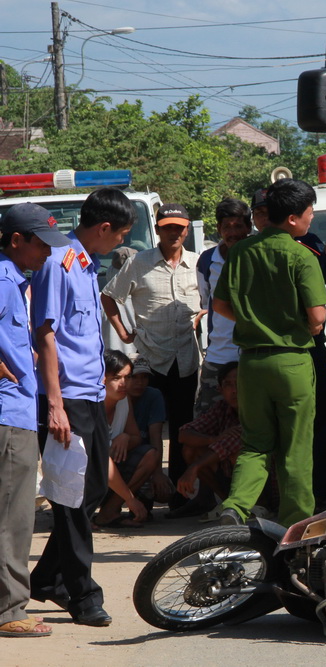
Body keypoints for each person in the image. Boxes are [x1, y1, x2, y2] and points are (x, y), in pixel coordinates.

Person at [30, 188, 135, 627]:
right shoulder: (60, 263)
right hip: (67, 397)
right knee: (72, 499)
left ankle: (47, 578)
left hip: (90, 394)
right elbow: (46, 333)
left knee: (92, 489)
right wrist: (54, 403)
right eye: (121, 235)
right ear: (103, 228)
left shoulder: (86, 265)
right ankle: (82, 593)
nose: (120, 244)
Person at [213, 179, 326, 527]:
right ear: (293, 218)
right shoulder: (300, 255)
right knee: (295, 450)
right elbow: (318, 317)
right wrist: (299, 327)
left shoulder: (240, 251)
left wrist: (252, 320)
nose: (311, 220)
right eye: (309, 214)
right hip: (291, 361)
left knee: (255, 444)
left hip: (251, 363)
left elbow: (220, 304)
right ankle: (296, 526)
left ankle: (235, 506)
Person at [0, 203, 70, 638]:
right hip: (8, 414)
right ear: (16, 241)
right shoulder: (5, 280)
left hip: (16, 409)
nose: (47, 253)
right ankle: (9, 611)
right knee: (14, 516)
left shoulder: (14, 279)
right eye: (41, 244)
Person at [100, 203, 201, 500]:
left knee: (183, 427)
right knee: (146, 430)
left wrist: (201, 315)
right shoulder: (139, 263)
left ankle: (181, 495)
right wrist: (123, 332)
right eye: (168, 227)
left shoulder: (198, 263)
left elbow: (212, 300)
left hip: (186, 359)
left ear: (187, 230)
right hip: (150, 361)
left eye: (179, 227)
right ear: (157, 229)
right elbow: (109, 297)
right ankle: (145, 489)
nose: (174, 232)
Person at [250, 187, 326, 509]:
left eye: (266, 212)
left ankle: (315, 492)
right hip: (272, 349)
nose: (263, 218)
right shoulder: (248, 250)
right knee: (270, 429)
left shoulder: (308, 245)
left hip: (304, 348)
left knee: (310, 423)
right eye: (258, 213)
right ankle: (278, 497)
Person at [194, 198, 251, 416]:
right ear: (218, 229)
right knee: (206, 419)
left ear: (248, 227)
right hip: (218, 356)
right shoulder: (207, 260)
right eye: (227, 226)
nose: (232, 232)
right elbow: (206, 301)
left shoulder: (256, 254)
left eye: (238, 226)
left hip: (251, 355)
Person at [176, 361, 247, 516]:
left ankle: (258, 504)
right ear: (220, 389)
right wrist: (213, 439)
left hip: (264, 484)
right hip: (227, 473)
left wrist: (194, 467)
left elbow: (233, 443)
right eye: (228, 385)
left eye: (239, 383)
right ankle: (227, 502)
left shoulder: (255, 409)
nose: (234, 390)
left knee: (239, 454)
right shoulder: (221, 408)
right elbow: (184, 434)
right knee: (190, 449)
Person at [93, 351, 153, 528]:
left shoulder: (123, 400)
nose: (124, 384)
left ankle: (109, 512)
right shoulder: (90, 404)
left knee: (150, 455)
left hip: (110, 470)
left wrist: (125, 437)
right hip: (88, 472)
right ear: (102, 378)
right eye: (117, 378)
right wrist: (131, 500)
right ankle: (80, 516)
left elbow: (136, 437)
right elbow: (102, 460)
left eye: (127, 377)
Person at [125, 355, 173, 507]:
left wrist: (158, 473)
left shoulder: (153, 396)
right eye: (134, 377)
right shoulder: (116, 395)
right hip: (119, 456)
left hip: (143, 458)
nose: (140, 383)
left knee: (165, 492)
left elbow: (155, 435)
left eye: (144, 377)